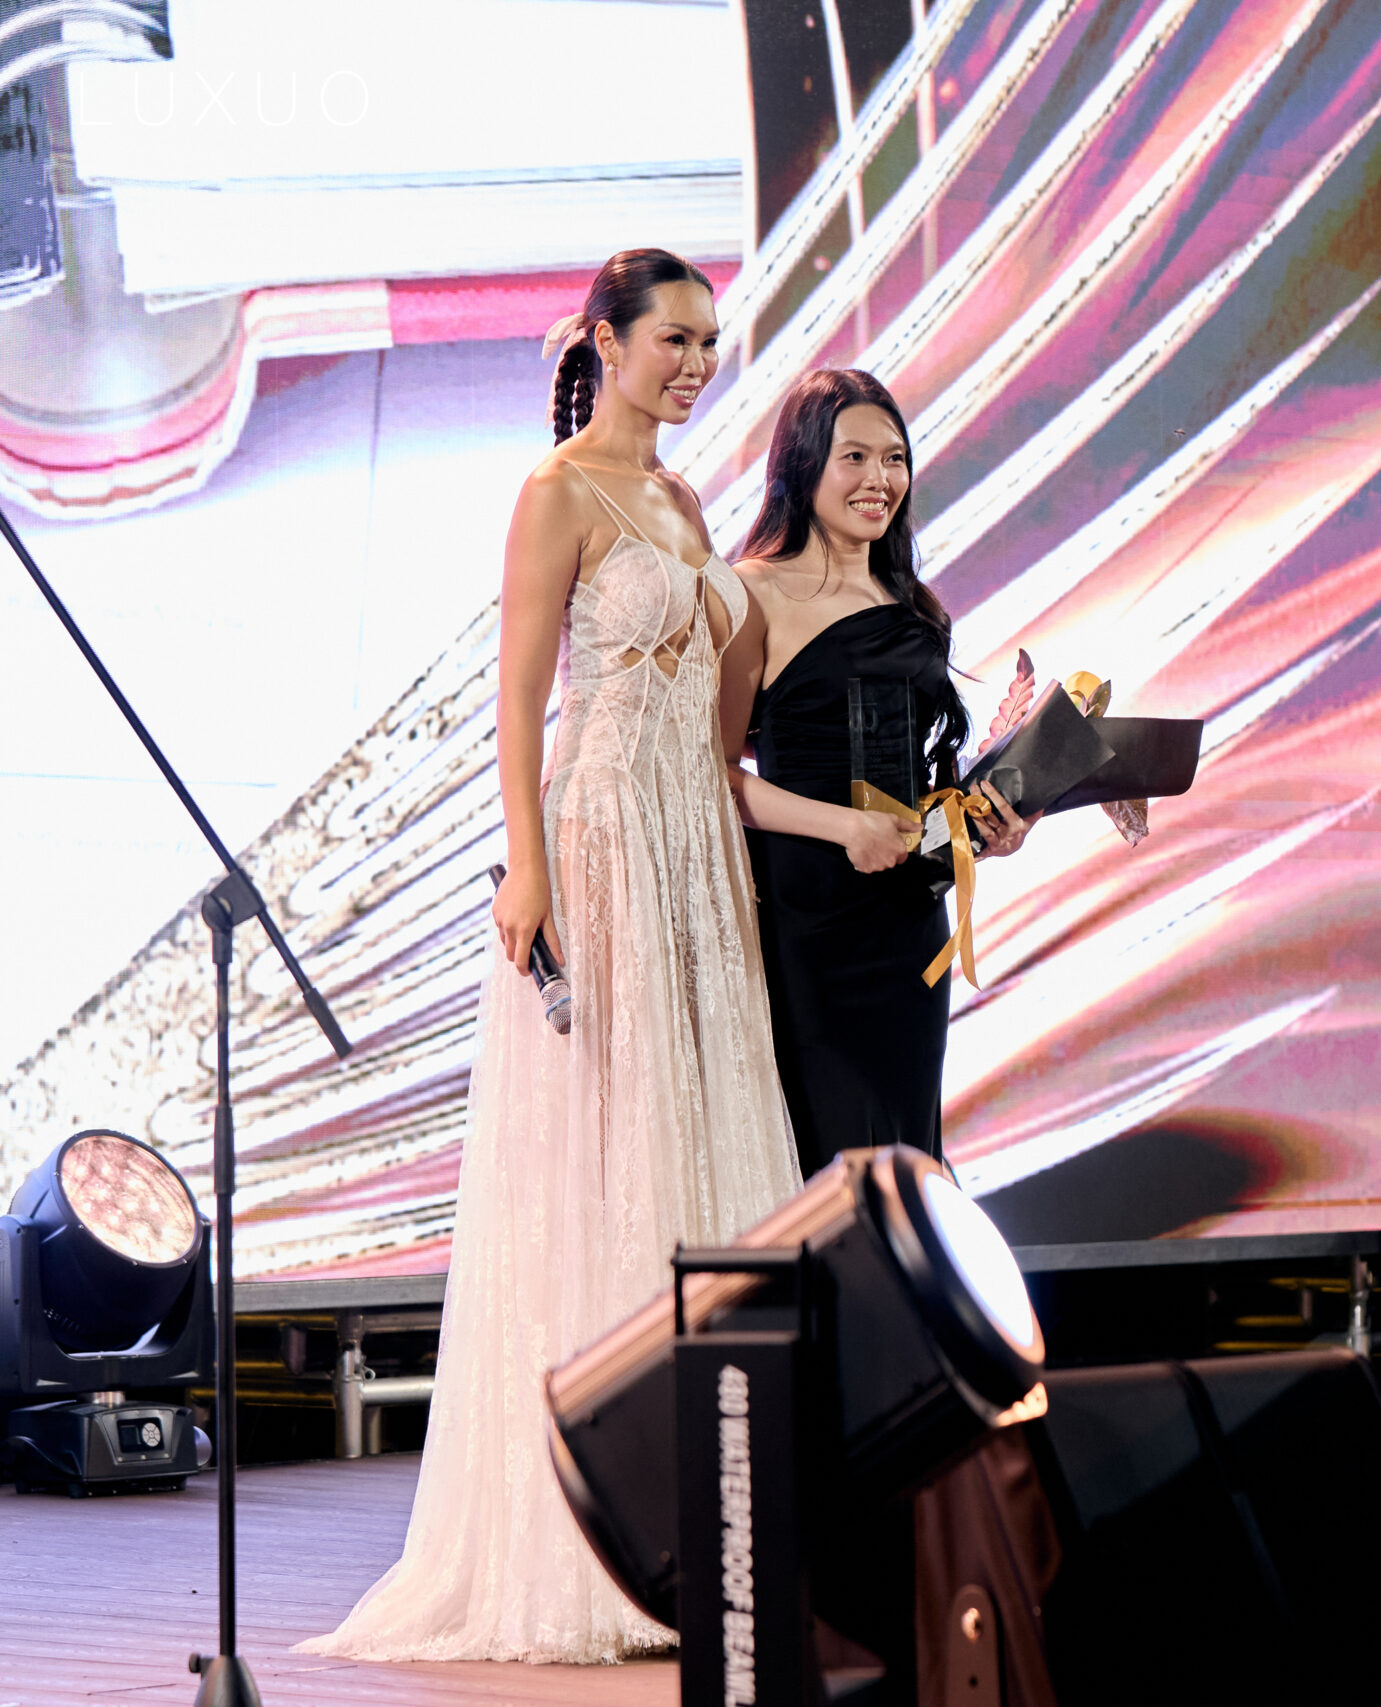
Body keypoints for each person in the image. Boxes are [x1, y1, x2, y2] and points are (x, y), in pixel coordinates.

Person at [298, 249, 800, 1663]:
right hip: (602, 839)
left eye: (709, 340)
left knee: (697, 1137)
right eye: (673, 338)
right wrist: (530, 866)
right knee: (605, 1145)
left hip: (696, 851)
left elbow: (718, 704)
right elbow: (520, 700)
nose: (696, 362)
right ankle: (597, 1541)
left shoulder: (685, 498)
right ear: (606, 341)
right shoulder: (557, 491)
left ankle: (720, 1523)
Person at [727, 369, 1032, 1177]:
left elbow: (920, 789)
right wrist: (843, 828)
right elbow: (713, 775)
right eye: (854, 456)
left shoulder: (913, 603)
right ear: (803, 463)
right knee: (826, 1171)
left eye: (894, 458)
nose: (879, 479)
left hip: (908, 927)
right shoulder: (751, 591)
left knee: (907, 1157)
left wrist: (983, 830)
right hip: (807, 925)